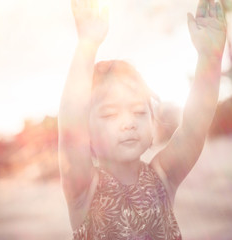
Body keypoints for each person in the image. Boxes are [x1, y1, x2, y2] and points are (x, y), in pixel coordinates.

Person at [58, 0, 226, 239]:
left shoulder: (162, 176)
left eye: (139, 111)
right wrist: (87, 44)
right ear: (85, 132)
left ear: (153, 124)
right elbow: (70, 118)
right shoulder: (84, 188)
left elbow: (194, 127)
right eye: (110, 114)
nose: (129, 123)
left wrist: (210, 57)